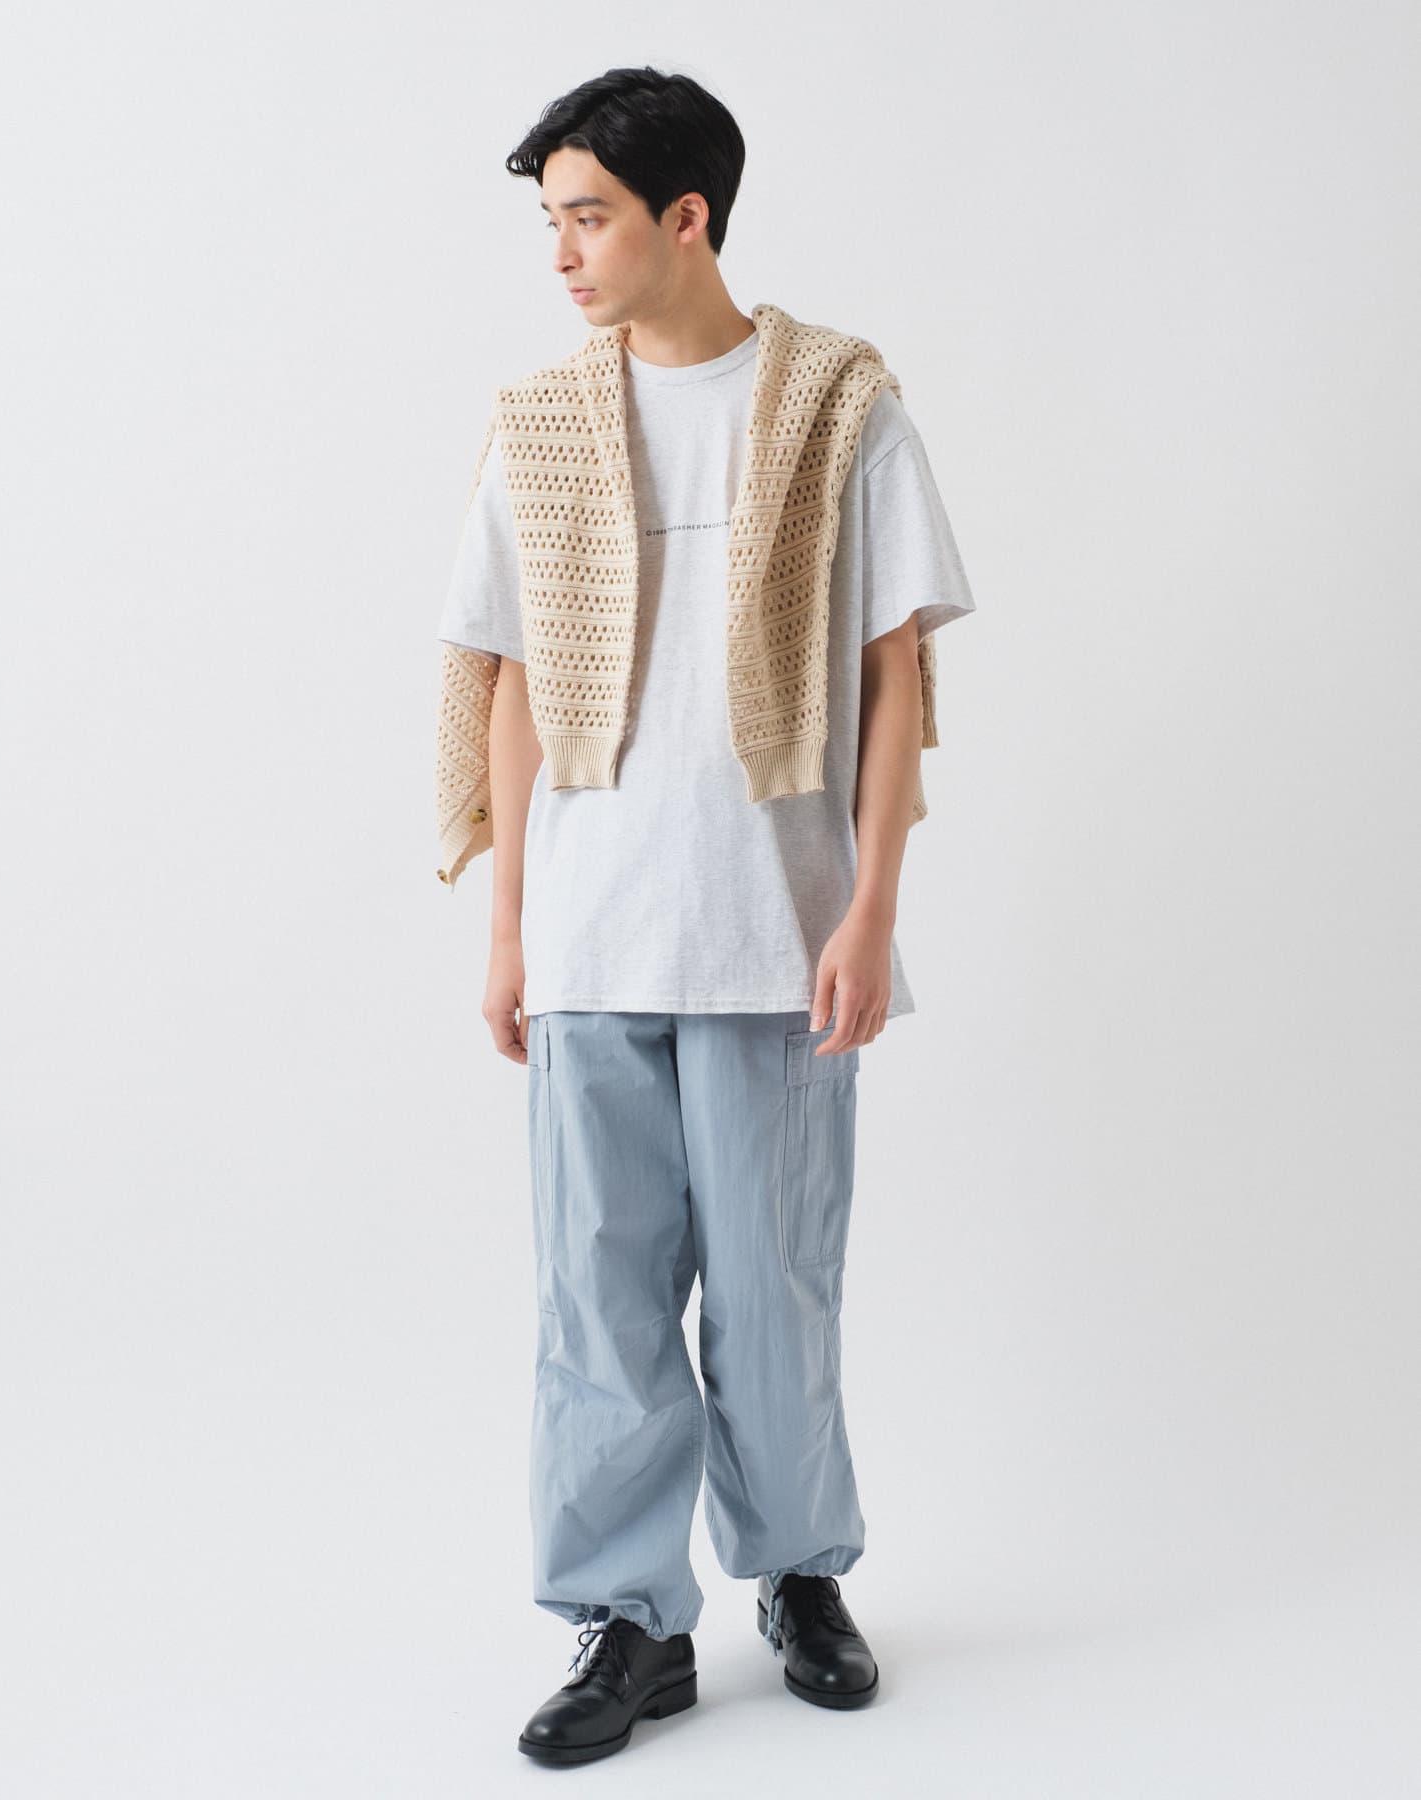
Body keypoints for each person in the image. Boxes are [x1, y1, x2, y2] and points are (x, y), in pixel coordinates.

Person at [433, 65, 976, 1765]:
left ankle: (800, 1577)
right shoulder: (540, 422)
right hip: (595, 941)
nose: (561, 254)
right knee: (594, 1302)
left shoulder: (837, 404)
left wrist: (870, 907)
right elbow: (510, 682)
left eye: (588, 218)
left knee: (775, 1291)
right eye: (550, 221)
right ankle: (624, 1622)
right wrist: (512, 932)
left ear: (689, 217)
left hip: (777, 935)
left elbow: (895, 675)